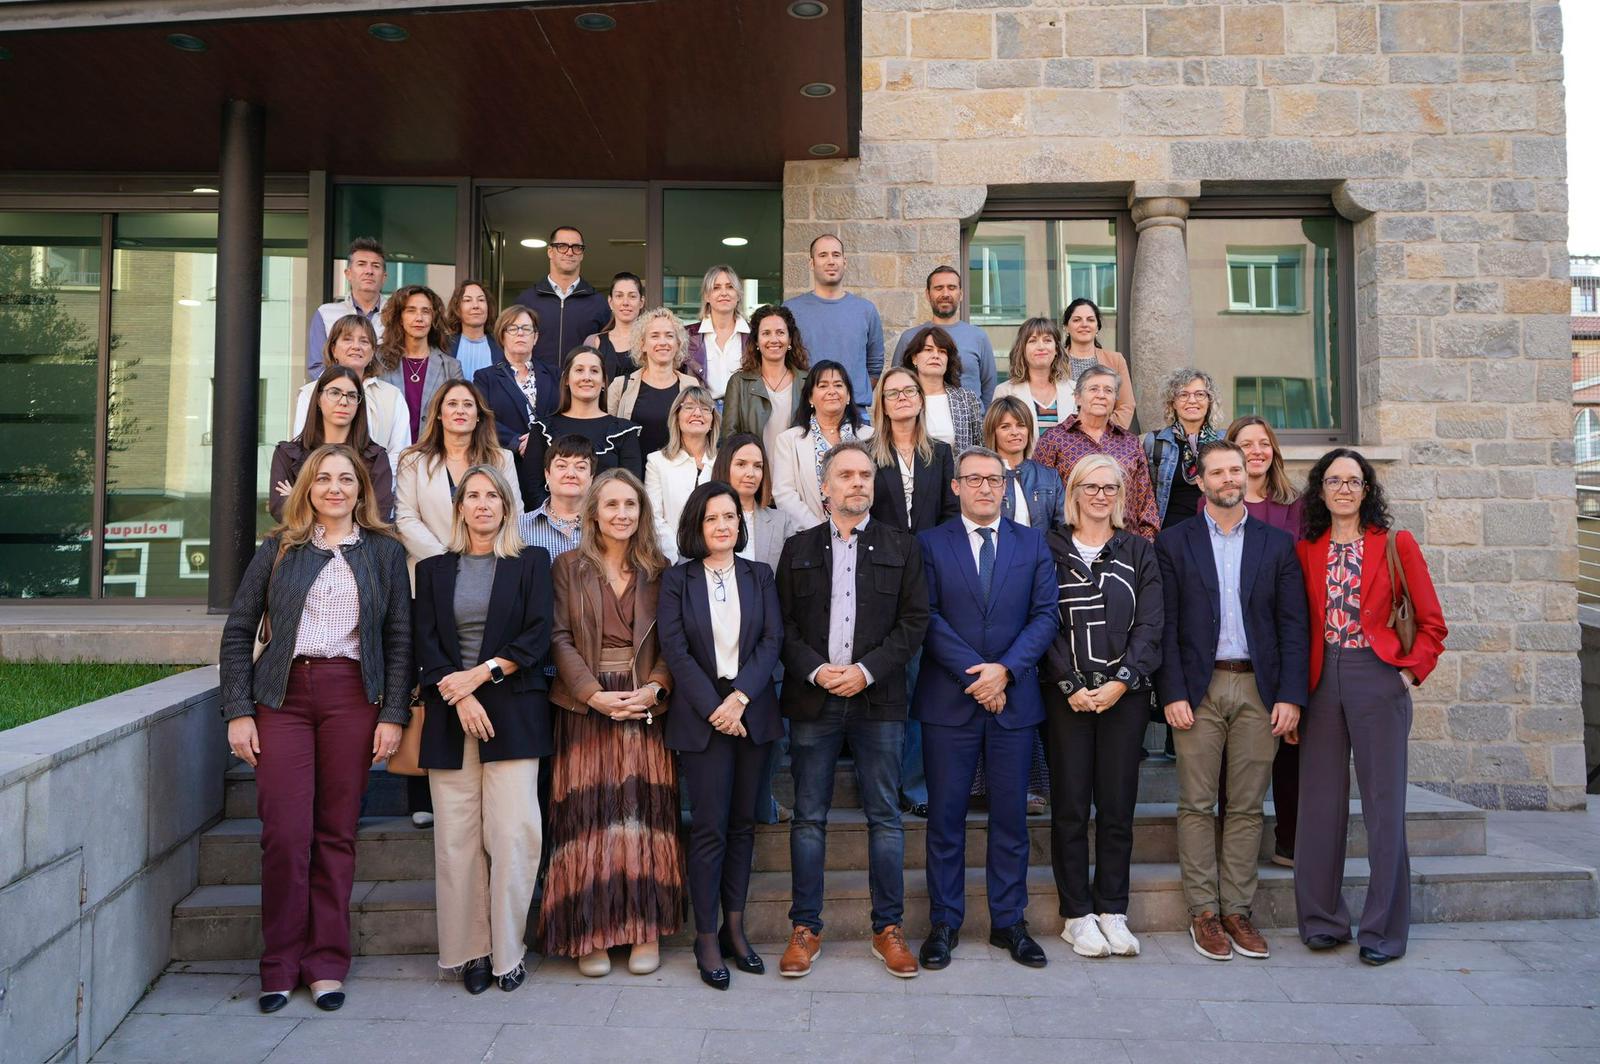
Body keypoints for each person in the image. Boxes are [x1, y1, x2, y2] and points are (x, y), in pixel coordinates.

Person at [218, 443, 411, 1014]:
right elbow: (239, 630)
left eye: (346, 479)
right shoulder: (279, 548)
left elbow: (399, 640)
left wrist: (393, 714)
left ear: (361, 490)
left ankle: (326, 963)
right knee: (284, 833)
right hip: (282, 697)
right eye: (323, 478)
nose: (334, 488)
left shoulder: (384, 552)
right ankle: (279, 965)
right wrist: (238, 709)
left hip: (352, 696)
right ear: (307, 487)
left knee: (336, 832)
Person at [774, 441, 929, 980]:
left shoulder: (902, 547)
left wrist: (865, 671)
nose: (858, 482)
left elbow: (914, 622)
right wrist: (817, 671)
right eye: (846, 475)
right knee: (808, 818)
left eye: (865, 474)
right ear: (826, 486)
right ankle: (805, 927)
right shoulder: (798, 548)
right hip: (813, 699)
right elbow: (781, 625)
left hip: (878, 700)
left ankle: (888, 928)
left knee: (884, 816)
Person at [1156, 440, 1309, 963]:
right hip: (1198, 690)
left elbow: (1293, 626)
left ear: (1246, 475)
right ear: (1199, 481)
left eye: (1235, 470)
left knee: (1246, 806)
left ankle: (1237, 910)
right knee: (1196, 804)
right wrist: (1172, 692)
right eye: (1217, 472)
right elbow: (1165, 625)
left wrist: (1291, 696)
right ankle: (1204, 911)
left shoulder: (1276, 544)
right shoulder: (1174, 543)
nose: (1229, 479)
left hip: (1258, 689)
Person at [1294, 449, 1447, 966]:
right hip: (1321, 681)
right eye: (1334, 481)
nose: (1343, 489)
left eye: (1353, 481)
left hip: (1376, 676)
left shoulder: (1395, 544)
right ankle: (1322, 921)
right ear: (1320, 490)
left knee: (1384, 807)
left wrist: (1406, 674)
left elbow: (1432, 624)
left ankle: (1383, 931)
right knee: (1319, 805)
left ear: (1366, 490)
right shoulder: (1307, 549)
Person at [914, 447, 1058, 972]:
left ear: (1005, 487)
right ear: (955, 487)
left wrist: (1005, 671)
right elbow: (926, 616)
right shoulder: (930, 543)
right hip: (949, 701)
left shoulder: (1032, 542)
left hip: (1013, 700)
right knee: (945, 819)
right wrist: (979, 676)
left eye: (993, 480)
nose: (984, 488)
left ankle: (1009, 922)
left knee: (1011, 820)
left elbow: (1045, 616)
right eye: (973, 479)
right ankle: (944, 923)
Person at [412, 464, 552, 995]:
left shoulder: (531, 562)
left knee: (513, 835)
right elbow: (426, 643)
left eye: (493, 495)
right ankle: (472, 952)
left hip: (514, 713)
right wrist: (463, 694)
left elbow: (537, 635)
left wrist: (480, 675)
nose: (483, 504)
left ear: (506, 506)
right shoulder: (433, 570)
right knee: (457, 842)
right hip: (451, 716)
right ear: (460, 508)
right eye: (472, 495)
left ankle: (509, 953)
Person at [541, 469, 685, 977]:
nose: (622, 514)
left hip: (645, 704)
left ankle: (645, 929)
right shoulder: (566, 567)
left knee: (643, 818)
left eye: (630, 505)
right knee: (589, 821)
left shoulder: (661, 571)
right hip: (586, 705)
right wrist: (593, 694)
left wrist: (655, 687)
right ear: (594, 513)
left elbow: (675, 640)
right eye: (612, 505)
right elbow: (558, 637)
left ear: (642, 513)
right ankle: (589, 933)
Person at [657, 482, 785, 990]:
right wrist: (716, 708)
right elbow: (674, 649)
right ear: (697, 524)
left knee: (743, 826)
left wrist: (740, 698)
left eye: (730, 516)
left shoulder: (760, 575)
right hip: (703, 718)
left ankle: (735, 928)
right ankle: (706, 936)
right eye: (712, 518)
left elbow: (773, 639)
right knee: (710, 827)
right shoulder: (677, 579)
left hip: (751, 714)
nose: (723, 525)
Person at [1040, 456, 1162, 960]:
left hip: (1123, 698)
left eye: (1110, 487)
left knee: (1116, 807)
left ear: (1121, 495)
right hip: (1065, 696)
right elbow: (1040, 619)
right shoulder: (1048, 549)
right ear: (1073, 492)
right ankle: (1076, 914)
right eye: (1090, 486)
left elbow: (1151, 625)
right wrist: (1069, 683)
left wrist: (1121, 682)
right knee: (1070, 807)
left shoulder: (1139, 551)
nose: (1100, 495)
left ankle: (1112, 908)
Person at [1217, 415, 1308, 861]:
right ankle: (1232, 849)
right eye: (1246, 444)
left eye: (1264, 443)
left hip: (1282, 635)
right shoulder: (1217, 503)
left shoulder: (1297, 506)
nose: (1256, 451)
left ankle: (1289, 842)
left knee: (1289, 741)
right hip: (1233, 643)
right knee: (1229, 756)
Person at [866, 368, 956, 820]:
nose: (902, 398)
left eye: (909, 391)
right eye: (893, 393)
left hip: (929, 579)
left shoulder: (941, 454)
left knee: (922, 681)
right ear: (881, 403)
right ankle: (881, 786)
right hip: (877, 580)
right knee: (883, 684)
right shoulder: (867, 453)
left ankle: (915, 784)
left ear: (921, 399)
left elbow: (950, 513)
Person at [713, 433, 796, 826]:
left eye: (758, 466)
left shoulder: (779, 521)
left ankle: (763, 801)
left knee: (771, 735)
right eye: (742, 464)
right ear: (725, 466)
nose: (750, 473)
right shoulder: (707, 516)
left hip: (767, 643)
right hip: (718, 645)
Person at [395, 380, 520, 582]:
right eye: (452, 404)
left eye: (468, 404)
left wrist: (480, 561)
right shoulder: (413, 460)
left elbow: (514, 514)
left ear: (478, 415)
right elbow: (406, 519)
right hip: (431, 572)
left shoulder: (502, 459)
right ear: (439, 413)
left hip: (490, 571)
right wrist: (446, 561)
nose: (460, 410)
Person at [1034, 364, 1160, 541]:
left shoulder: (1130, 443)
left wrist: (1145, 547)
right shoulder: (1053, 440)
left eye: (1108, 390)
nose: (1101, 395)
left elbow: (1146, 504)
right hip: (1070, 546)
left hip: (1125, 545)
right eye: (1093, 389)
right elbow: (1039, 503)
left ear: (1115, 399)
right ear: (1078, 397)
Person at [521, 346, 644, 508]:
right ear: (566, 379)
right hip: (551, 521)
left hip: (607, 521)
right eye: (579, 370)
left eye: (594, 371)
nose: (587, 377)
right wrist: (558, 519)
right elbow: (532, 488)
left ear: (604, 381)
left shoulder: (624, 431)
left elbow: (631, 490)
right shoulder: (542, 429)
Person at [270, 366, 395, 521]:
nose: (343, 401)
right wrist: (352, 506)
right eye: (335, 393)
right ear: (318, 399)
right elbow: (282, 511)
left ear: (359, 404)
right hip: (301, 538)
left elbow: (377, 515)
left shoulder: (375, 458)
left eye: (352, 396)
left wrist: (300, 499)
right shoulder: (288, 455)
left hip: (360, 539)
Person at [293, 314, 410, 473]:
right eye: (347, 339)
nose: (356, 346)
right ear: (333, 349)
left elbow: (399, 453)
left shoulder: (393, 396)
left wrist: (374, 483)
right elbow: (303, 448)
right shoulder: (310, 393)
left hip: (378, 484)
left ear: (373, 352)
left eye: (364, 341)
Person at [784, 234, 883, 418]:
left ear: (844, 262)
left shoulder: (865, 310)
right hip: (805, 413)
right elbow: (783, 361)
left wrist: (850, 395)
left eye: (836, 255)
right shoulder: (791, 310)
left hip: (855, 413)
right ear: (811, 263)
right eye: (823, 255)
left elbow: (875, 365)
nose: (831, 261)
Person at [472, 305, 558, 507]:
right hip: (507, 463)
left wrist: (539, 440)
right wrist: (516, 442)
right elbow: (482, 418)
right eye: (513, 328)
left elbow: (564, 412)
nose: (520, 333)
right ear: (502, 336)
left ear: (535, 337)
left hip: (550, 464)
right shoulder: (485, 377)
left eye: (526, 328)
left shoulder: (554, 374)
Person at [770, 360, 872, 531]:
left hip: (863, 533)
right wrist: (821, 531)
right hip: (810, 535)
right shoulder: (788, 440)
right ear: (810, 397)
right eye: (823, 386)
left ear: (848, 396)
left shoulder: (870, 437)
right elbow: (784, 494)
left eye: (838, 385)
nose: (832, 391)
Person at [891, 265, 997, 405]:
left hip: (970, 417)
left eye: (952, 288)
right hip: (921, 416)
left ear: (961, 294)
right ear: (928, 294)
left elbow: (989, 388)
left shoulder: (978, 337)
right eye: (938, 288)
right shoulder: (910, 338)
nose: (945, 294)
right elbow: (895, 384)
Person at [513, 225, 610, 371]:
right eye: (562, 246)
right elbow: (512, 346)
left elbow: (607, 353)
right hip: (536, 382)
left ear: (582, 255)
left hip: (581, 382)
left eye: (576, 247)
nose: (569, 252)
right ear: (550, 252)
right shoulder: (526, 301)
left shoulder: (598, 303)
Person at [607, 307, 701, 458]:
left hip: (677, 469)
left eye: (669, 336)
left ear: (678, 344)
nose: (663, 342)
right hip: (633, 470)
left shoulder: (691, 385)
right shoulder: (620, 386)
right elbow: (608, 437)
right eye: (655, 336)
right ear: (642, 344)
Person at [721, 303, 809, 463]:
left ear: (790, 339)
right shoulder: (739, 383)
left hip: (797, 472)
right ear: (756, 341)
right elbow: (728, 439)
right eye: (766, 333)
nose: (774, 339)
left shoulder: (807, 382)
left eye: (780, 332)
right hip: (753, 472)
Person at [376, 284, 462, 445]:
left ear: (433, 318)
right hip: (387, 451)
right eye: (411, 310)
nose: (419, 318)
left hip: (433, 451)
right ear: (399, 318)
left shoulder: (451, 366)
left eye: (426, 311)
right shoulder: (377, 360)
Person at [645, 386, 719, 561]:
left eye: (705, 408)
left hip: (718, 556)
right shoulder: (657, 462)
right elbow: (654, 516)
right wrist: (676, 556)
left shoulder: (724, 461)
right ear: (676, 417)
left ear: (712, 421)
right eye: (689, 407)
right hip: (673, 557)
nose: (697, 413)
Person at [1145, 368, 1222, 530]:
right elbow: (1146, 498)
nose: (1192, 400)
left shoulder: (1225, 442)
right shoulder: (1156, 442)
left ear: (1209, 400)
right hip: (1169, 534)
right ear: (1173, 402)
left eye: (1200, 394)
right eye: (1183, 395)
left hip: (1215, 533)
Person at [307, 237, 386, 378]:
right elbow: (317, 367)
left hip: (385, 391)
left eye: (376, 266)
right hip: (338, 391)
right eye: (361, 264)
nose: (369, 271)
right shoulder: (325, 313)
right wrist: (344, 388)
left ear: (384, 277)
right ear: (348, 273)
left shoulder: (398, 314)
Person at [984, 396, 1064, 533]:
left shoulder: (1050, 476)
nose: (1015, 432)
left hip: (1042, 547)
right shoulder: (981, 477)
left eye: (1021, 425)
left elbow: (1062, 528)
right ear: (993, 433)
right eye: (1005, 427)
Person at [899, 325, 983, 455]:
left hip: (957, 467)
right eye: (928, 350)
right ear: (914, 358)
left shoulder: (966, 399)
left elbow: (980, 447)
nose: (935, 356)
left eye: (942, 351)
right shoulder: (902, 398)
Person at [992, 317, 1076, 440]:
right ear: (1022, 349)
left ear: (1056, 349)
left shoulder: (1075, 390)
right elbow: (997, 440)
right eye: (1032, 341)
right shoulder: (1004, 392)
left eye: (1047, 340)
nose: (1041, 347)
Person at [516, 435, 594, 560]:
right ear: (547, 474)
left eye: (580, 467)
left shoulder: (604, 526)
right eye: (561, 466)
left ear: (591, 477)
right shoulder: (520, 527)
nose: (570, 474)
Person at [1062, 298, 1135, 430]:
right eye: (1077, 320)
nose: (1084, 324)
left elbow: (1126, 405)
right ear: (1066, 327)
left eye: (1090, 320)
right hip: (1063, 435)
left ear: (1097, 327)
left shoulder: (1116, 360)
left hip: (1106, 436)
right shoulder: (1055, 361)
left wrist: (1100, 431)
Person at [686, 264, 749, 399]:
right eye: (716, 288)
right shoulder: (689, 336)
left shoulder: (754, 335)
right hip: (703, 407)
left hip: (743, 408)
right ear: (707, 296)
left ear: (738, 295)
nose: (724, 293)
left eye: (730, 287)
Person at [583, 272, 644, 381]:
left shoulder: (652, 341)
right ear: (610, 302)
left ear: (641, 302)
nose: (625, 302)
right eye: (619, 296)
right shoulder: (594, 342)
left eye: (632, 296)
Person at [442, 279, 502, 380]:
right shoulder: (444, 346)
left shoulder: (501, 346)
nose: (475, 306)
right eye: (467, 300)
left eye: (481, 300)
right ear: (457, 308)